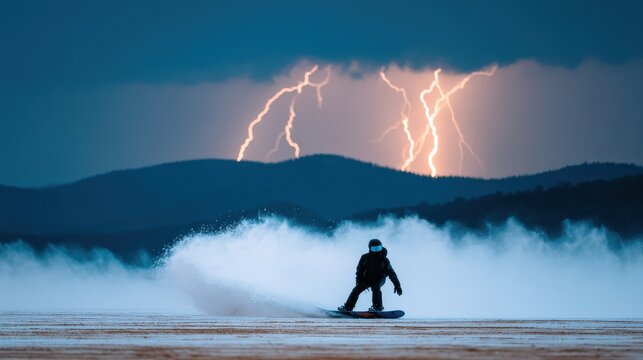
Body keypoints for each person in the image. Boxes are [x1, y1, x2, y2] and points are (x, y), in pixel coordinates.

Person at [338, 239, 402, 312]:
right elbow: (359, 270)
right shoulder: (364, 258)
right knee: (356, 289)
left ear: (381, 247)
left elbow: (392, 273)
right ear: (370, 249)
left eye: (378, 248)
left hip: (380, 278)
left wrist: (397, 285)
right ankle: (348, 307)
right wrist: (358, 280)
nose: (377, 251)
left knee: (376, 287)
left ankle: (377, 307)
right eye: (374, 249)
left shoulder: (384, 260)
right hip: (367, 278)